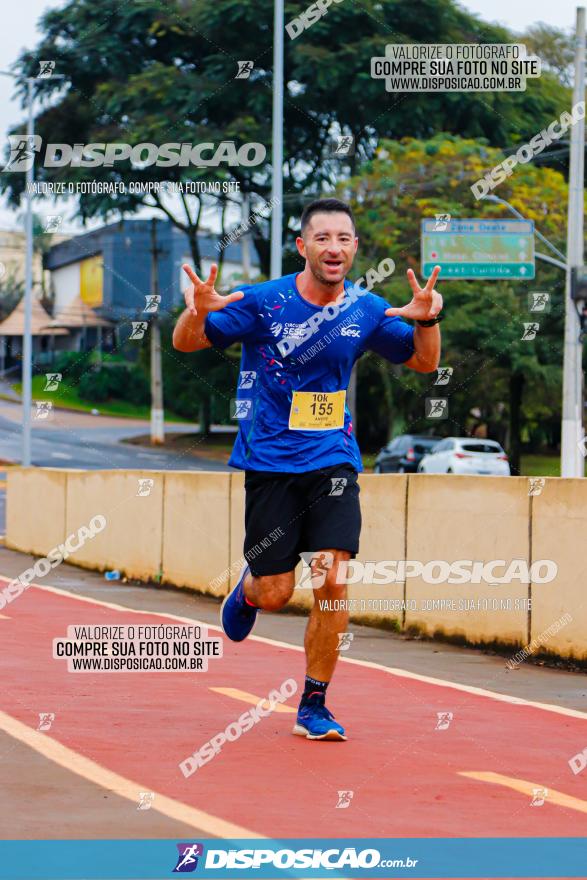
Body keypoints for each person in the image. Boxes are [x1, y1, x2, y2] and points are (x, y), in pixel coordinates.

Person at [173, 198, 442, 741]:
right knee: (277, 592)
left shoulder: (365, 309)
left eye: (343, 239)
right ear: (303, 247)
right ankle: (248, 591)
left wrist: (431, 316)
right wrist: (198, 310)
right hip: (270, 461)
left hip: (333, 459)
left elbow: (424, 361)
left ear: (355, 248)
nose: (334, 248)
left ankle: (314, 704)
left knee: (331, 573)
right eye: (322, 238)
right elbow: (187, 342)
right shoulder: (263, 301)